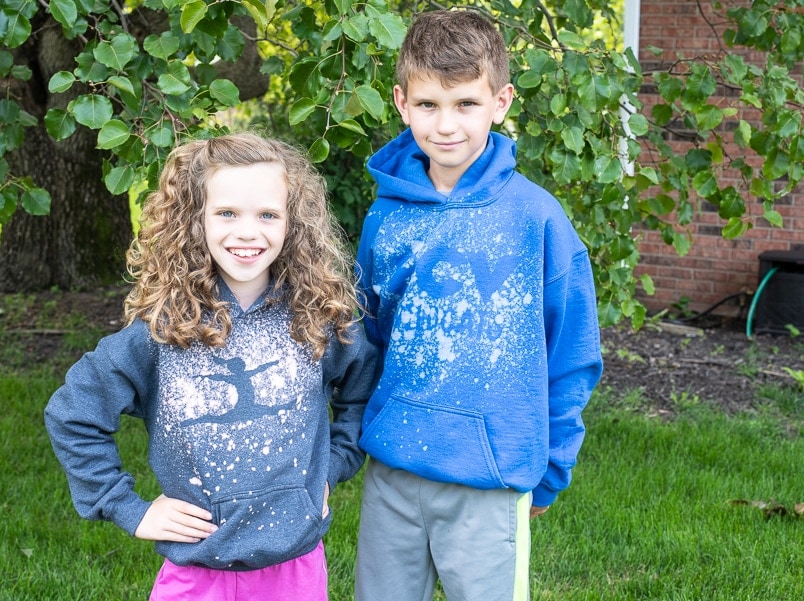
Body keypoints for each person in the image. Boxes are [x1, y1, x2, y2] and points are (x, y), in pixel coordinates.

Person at [45, 132, 378, 601]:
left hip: (295, 569)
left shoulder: (319, 316)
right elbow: (73, 413)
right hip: (196, 572)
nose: (247, 232)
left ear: (293, 222)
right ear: (194, 220)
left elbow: (362, 391)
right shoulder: (162, 329)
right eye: (227, 213)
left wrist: (332, 465)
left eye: (267, 214)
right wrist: (125, 507)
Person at [353, 10, 604, 601]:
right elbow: (366, 340)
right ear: (400, 102)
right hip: (393, 469)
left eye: (465, 104)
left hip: (490, 477)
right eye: (428, 105)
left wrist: (552, 467)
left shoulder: (536, 218)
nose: (446, 125)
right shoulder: (385, 218)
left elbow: (570, 353)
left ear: (501, 101)